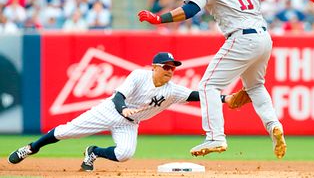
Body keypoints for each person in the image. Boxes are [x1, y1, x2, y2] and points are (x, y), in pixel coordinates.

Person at [138, 0, 314, 159]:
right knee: (255, 86)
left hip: (241, 38)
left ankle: (215, 136)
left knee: (207, 86)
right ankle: (273, 125)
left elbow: (189, 10)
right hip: (264, 37)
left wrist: (160, 18)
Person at [8, 52, 242, 171]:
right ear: (155, 67)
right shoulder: (140, 75)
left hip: (129, 123)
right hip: (110, 110)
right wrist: (124, 110)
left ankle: (93, 152)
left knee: (125, 154)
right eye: (167, 67)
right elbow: (119, 96)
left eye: (174, 67)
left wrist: (224, 98)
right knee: (67, 132)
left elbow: (195, 95)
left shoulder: (172, 90)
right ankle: (31, 148)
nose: (171, 70)